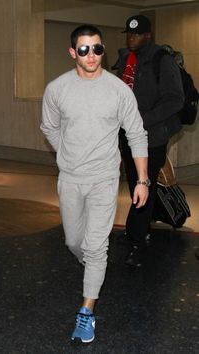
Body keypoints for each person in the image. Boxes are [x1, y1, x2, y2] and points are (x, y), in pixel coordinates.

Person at [41, 24, 149, 343]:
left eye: (97, 48)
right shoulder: (57, 89)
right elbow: (49, 127)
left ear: (103, 49)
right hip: (71, 179)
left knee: (96, 245)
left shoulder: (118, 90)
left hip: (104, 178)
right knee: (75, 242)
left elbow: (136, 134)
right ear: (73, 52)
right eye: (84, 50)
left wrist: (142, 180)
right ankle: (94, 265)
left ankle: (87, 311)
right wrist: (67, 151)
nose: (92, 55)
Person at [114, 15, 185, 268]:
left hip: (150, 136)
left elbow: (175, 99)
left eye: (137, 34)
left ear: (148, 35)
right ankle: (138, 228)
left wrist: (142, 120)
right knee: (134, 183)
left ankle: (137, 239)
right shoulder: (124, 59)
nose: (131, 38)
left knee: (145, 184)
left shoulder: (162, 60)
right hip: (127, 135)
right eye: (129, 34)